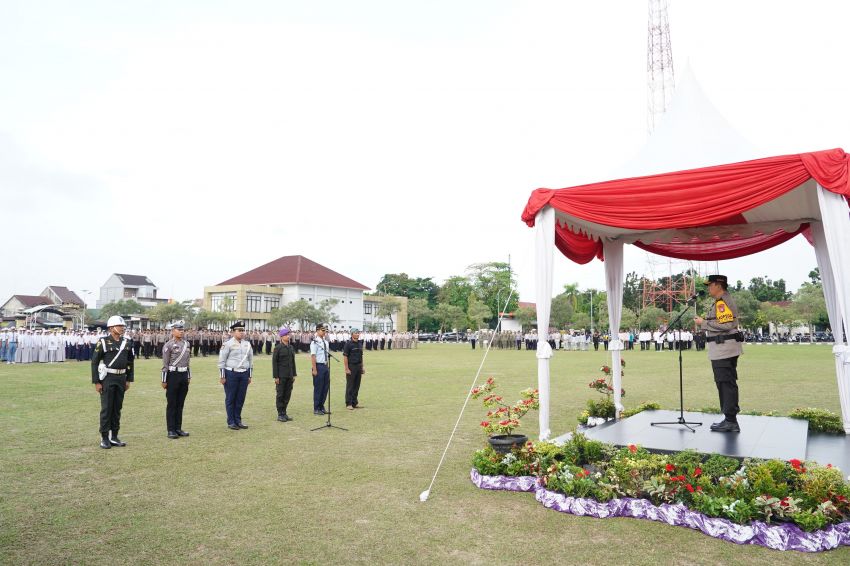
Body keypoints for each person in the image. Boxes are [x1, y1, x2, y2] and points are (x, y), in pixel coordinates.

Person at [694, 274, 744, 433]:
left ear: (718, 285)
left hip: (724, 349)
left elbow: (728, 324)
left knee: (725, 383)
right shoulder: (721, 300)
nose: (708, 288)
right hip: (723, 349)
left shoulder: (722, 301)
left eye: (710, 285)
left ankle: (730, 420)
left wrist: (704, 323)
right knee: (725, 383)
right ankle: (729, 418)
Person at [91, 316, 135, 449]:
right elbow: (94, 362)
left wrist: (128, 379)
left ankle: (114, 436)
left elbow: (130, 362)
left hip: (121, 378)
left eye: (122, 326)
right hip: (108, 378)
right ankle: (104, 437)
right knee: (107, 409)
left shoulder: (127, 342)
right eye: (119, 325)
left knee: (117, 408)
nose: (122, 328)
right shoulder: (103, 342)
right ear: (111, 328)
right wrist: (97, 382)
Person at [218, 321, 253, 430]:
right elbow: (222, 361)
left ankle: (238, 420)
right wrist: (222, 376)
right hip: (231, 373)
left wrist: (249, 375)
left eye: (243, 330)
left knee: (240, 398)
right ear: (233, 332)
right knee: (230, 398)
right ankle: (231, 421)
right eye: (239, 331)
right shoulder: (227, 344)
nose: (242, 333)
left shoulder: (247, 344)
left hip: (244, 374)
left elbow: (250, 360)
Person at [161, 320, 191, 439]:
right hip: (173, 375)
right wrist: (164, 380)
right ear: (173, 331)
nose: (181, 332)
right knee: (172, 403)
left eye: (182, 329)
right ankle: (171, 430)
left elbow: (188, 362)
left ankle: (178, 428)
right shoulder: (168, 345)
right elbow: (165, 364)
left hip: (184, 375)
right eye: (179, 330)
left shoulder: (187, 344)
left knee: (180, 404)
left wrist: (188, 376)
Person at [272, 327, 297, 422]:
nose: (288, 336)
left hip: (289, 375)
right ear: (281, 337)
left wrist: (294, 374)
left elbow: (293, 362)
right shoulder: (277, 348)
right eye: (286, 335)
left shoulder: (291, 347)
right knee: (280, 394)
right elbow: (274, 363)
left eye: (288, 334)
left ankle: (284, 412)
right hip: (281, 376)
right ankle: (280, 414)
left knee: (287, 394)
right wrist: (276, 376)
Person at [310, 323, 331, 415]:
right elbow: (313, 356)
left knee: (325, 387)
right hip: (318, 366)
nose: (324, 332)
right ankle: (316, 408)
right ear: (317, 330)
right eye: (323, 330)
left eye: (325, 330)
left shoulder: (325, 342)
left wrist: (327, 366)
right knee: (318, 388)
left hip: (325, 366)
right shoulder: (315, 342)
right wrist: (314, 369)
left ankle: (322, 406)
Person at [343, 328, 365, 410]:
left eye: (358, 333)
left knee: (357, 385)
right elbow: (345, 356)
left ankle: (354, 403)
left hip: (358, 366)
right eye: (356, 333)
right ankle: (348, 403)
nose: (358, 334)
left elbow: (361, 356)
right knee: (350, 385)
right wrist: (346, 368)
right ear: (352, 334)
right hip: (351, 366)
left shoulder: (360, 343)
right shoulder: (348, 344)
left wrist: (362, 367)